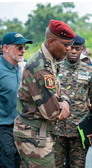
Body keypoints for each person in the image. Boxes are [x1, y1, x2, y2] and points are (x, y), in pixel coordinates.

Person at [13, 19, 73, 167]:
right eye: (66, 44)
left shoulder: (48, 60)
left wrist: (64, 100)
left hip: (37, 132)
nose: (69, 49)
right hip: (34, 135)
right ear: (51, 42)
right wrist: (62, 106)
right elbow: (52, 113)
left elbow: (60, 86)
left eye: (70, 44)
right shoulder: (41, 68)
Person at [53, 34, 92, 167]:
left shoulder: (91, 72)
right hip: (56, 128)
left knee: (79, 165)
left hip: (80, 130)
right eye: (72, 48)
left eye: (78, 49)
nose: (74, 51)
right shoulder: (55, 69)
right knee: (54, 164)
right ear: (67, 48)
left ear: (83, 50)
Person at [0, 32, 32, 168]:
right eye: (19, 47)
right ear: (6, 48)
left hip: (21, 128)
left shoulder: (22, 68)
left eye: (25, 47)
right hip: (3, 128)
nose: (23, 51)